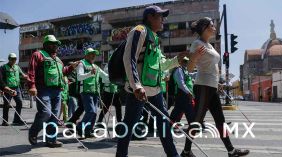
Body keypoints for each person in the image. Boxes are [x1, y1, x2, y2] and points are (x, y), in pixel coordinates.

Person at [116, 5, 188, 157]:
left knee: (163, 126)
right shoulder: (139, 31)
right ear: (150, 17)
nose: (163, 20)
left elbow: (160, 64)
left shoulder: (155, 38)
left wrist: (176, 60)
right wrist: (136, 86)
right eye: (160, 16)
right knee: (129, 125)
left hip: (155, 91)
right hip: (138, 91)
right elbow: (129, 58)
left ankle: (173, 155)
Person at [182, 17, 250, 157]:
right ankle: (186, 151)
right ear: (204, 29)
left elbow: (211, 66)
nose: (214, 28)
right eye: (212, 26)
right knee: (197, 120)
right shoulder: (197, 44)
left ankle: (231, 151)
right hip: (203, 86)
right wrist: (193, 57)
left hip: (211, 86)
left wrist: (217, 83)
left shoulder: (210, 45)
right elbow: (189, 68)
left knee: (220, 120)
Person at [27, 35, 79, 148]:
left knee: (54, 116)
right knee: (46, 113)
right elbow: (31, 71)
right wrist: (32, 86)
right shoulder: (38, 55)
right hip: (43, 89)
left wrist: (71, 67)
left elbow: (63, 72)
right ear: (45, 45)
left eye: (56, 44)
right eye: (52, 43)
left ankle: (51, 140)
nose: (55, 46)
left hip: (57, 91)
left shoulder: (58, 60)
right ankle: (33, 132)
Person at [76, 48, 108, 138]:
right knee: (91, 111)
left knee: (94, 113)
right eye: (91, 54)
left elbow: (105, 77)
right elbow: (79, 77)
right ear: (86, 55)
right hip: (86, 91)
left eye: (94, 54)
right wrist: (90, 73)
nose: (93, 56)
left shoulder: (96, 66)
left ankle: (88, 131)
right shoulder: (82, 64)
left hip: (95, 92)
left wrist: (115, 79)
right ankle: (79, 127)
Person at [0, 53, 28, 126]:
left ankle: (17, 119)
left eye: (15, 59)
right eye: (12, 59)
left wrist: (27, 77)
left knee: (19, 103)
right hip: (8, 88)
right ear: (9, 59)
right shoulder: (4, 67)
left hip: (17, 87)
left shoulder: (17, 67)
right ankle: (5, 121)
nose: (13, 60)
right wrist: (4, 89)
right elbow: (1, 79)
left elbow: (23, 75)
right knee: (7, 104)